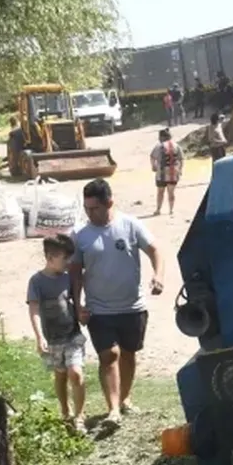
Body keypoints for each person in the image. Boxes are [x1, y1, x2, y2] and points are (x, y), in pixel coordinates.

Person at [71, 178, 164, 430]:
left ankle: (124, 399)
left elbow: (155, 249)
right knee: (108, 355)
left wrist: (158, 276)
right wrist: (77, 304)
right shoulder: (80, 236)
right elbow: (75, 272)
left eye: (94, 208)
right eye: (86, 208)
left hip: (132, 306)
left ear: (109, 202)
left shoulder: (131, 225)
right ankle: (113, 410)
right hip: (99, 308)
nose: (89, 214)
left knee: (128, 353)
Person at [26, 234, 87, 432]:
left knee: (75, 373)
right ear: (50, 257)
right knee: (60, 375)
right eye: (64, 259)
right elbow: (34, 309)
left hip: (72, 335)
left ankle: (80, 416)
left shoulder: (68, 279)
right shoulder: (36, 281)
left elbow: (76, 299)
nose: (68, 263)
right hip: (52, 337)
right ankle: (65, 410)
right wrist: (39, 336)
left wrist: (81, 311)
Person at [150, 128, 181, 217]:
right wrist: (180, 170)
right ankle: (171, 210)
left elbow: (152, 157)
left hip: (161, 173)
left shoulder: (158, 146)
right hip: (173, 173)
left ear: (162, 137)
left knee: (160, 192)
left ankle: (158, 210)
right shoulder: (176, 145)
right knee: (171, 192)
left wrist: (153, 166)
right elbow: (181, 159)